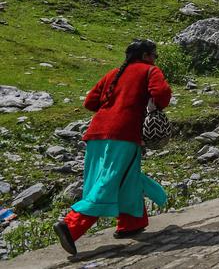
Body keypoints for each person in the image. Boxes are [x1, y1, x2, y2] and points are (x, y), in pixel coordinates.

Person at [54, 40, 172, 256]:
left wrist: (114, 106)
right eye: (154, 54)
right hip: (124, 135)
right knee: (109, 181)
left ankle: (131, 223)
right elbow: (162, 94)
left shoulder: (113, 74)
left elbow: (90, 102)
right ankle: (70, 226)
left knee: (126, 178)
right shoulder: (150, 70)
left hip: (96, 134)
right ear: (146, 55)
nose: (155, 58)